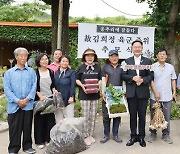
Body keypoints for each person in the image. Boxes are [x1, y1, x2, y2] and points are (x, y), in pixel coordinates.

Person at [3, 47, 37, 154]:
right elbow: (7, 89)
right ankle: (13, 148)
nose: (23, 57)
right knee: (14, 128)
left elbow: (34, 87)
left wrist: (26, 99)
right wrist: (17, 100)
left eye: (25, 55)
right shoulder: (9, 73)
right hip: (14, 105)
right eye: (21, 55)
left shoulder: (31, 72)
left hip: (28, 104)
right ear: (16, 57)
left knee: (27, 127)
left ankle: (27, 147)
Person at [122, 40, 154, 147]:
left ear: (142, 48)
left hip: (143, 93)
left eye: (139, 47)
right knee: (132, 116)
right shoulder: (126, 61)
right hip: (131, 93)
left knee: (142, 116)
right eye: (135, 47)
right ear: (131, 48)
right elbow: (123, 75)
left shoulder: (148, 61)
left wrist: (143, 80)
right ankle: (133, 136)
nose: (137, 49)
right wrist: (133, 78)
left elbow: (151, 75)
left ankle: (141, 137)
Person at [148, 49, 177, 144]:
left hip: (167, 96)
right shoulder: (152, 67)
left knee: (166, 116)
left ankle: (166, 134)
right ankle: (153, 133)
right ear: (157, 56)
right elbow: (150, 80)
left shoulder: (170, 67)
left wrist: (174, 92)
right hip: (154, 96)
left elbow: (173, 80)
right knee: (153, 116)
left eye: (163, 54)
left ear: (166, 56)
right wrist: (155, 92)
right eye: (160, 54)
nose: (162, 56)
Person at [76, 49, 101, 146]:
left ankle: (91, 134)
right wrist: (83, 86)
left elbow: (100, 79)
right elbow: (76, 79)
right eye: (87, 56)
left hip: (95, 95)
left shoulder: (98, 67)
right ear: (84, 57)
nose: (90, 57)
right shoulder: (81, 67)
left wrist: (98, 85)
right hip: (84, 95)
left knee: (93, 116)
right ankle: (85, 135)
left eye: (92, 56)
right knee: (85, 116)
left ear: (94, 57)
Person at [34, 53, 57, 149]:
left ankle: (48, 139)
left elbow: (52, 85)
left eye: (46, 59)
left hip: (50, 99)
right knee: (39, 120)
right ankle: (39, 141)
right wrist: (39, 94)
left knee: (50, 120)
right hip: (40, 99)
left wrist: (54, 90)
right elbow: (33, 86)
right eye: (42, 59)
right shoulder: (35, 72)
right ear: (38, 61)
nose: (45, 61)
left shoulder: (51, 72)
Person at [100, 50, 123, 144]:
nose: (114, 58)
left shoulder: (122, 68)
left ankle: (115, 135)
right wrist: (103, 93)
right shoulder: (105, 68)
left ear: (118, 57)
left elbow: (124, 81)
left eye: (115, 56)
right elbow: (103, 81)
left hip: (118, 95)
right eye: (112, 56)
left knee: (117, 115)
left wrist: (123, 93)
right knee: (106, 116)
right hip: (108, 94)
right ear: (109, 58)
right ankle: (106, 135)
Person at [54, 56, 76, 121]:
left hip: (68, 98)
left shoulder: (72, 72)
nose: (64, 63)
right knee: (59, 119)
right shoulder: (56, 72)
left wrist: (71, 96)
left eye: (66, 61)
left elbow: (73, 85)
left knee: (69, 119)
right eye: (63, 61)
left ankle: (69, 131)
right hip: (58, 99)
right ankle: (60, 131)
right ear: (60, 62)